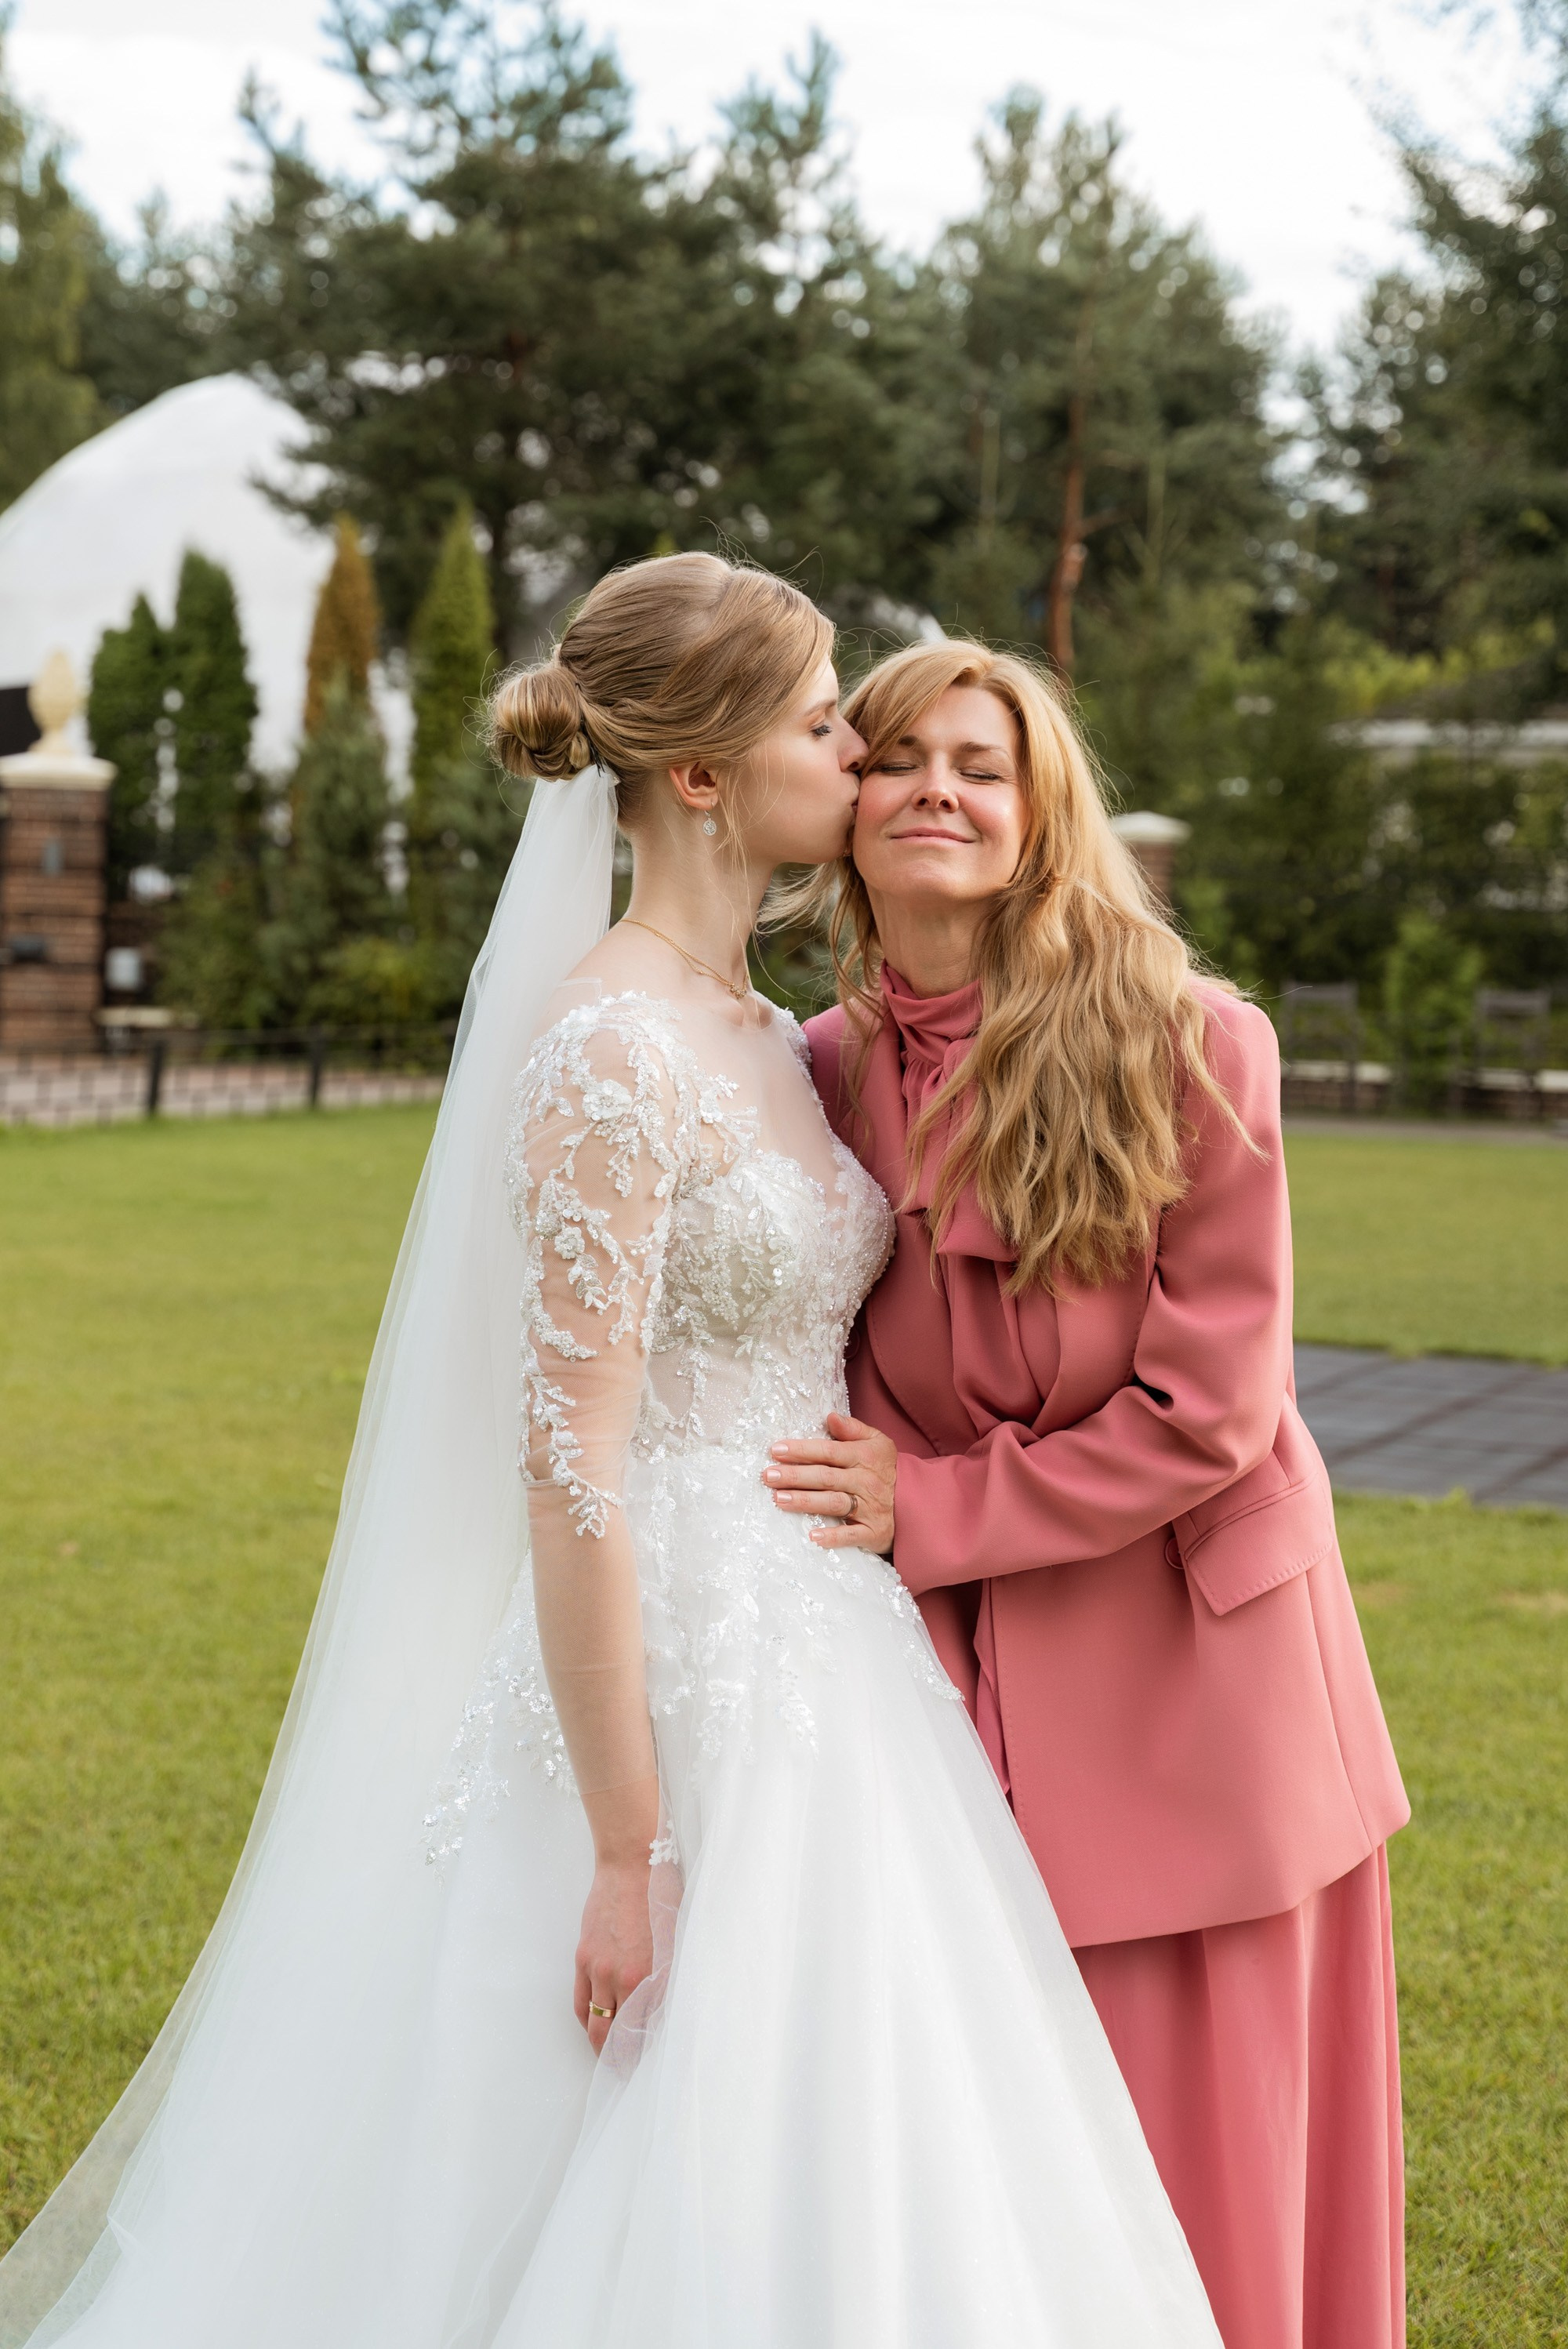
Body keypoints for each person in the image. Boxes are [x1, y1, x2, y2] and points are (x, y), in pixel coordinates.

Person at [0, 557, 1224, 2349]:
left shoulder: (776, 1037)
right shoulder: (606, 1046)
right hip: (663, 1673)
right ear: (710, 775)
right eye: (826, 725)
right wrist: (626, 1846)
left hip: (831, 1660)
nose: (864, 761)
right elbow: (570, 1464)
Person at [773, 640, 1410, 2349]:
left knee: (1188, 2151)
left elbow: (1211, 1405)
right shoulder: (817, 1066)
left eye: (980, 763)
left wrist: (935, 1509)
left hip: (1200, 1689)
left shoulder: (1192, 1040)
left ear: (1041, 809)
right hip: (951, 1687)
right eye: (896, 755)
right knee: (993, 2141)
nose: (935, 789)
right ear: (843, 806)